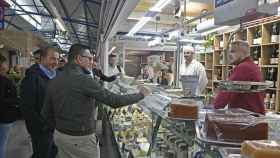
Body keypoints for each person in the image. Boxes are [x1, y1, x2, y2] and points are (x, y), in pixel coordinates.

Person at [41, 44, 151, 158]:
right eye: (89, 58)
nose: (91, 62)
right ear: (79, 58)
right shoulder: (84, 80)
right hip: (80, 139)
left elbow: (46, 113)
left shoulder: (54, 79)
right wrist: (141, 95)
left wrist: (61, 128)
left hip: (60, 136)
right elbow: (114, 101)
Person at [20, 46, 59, 158]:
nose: (55, 62)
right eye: (52, 58)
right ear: (42, 58)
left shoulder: (54, 76)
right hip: (41, 129)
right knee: (42, 154)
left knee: (51, 152)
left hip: (53, 127)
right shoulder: (32, 77)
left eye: (57, 59)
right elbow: (27, 107)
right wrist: (42, 126)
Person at [213, 40, 265, 114]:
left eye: (233, 51)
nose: (229, 55)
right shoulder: (251, 66)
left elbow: (226, 92)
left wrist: (214, 107)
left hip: (248, 119)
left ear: (243, 52)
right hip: (253, 117)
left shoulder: (243, 67)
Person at [0, 55, 20, 158]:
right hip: (4, 118)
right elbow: (2, 100)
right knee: (1, 144)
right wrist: (16, 100)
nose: (7, 65)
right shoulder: (3, 80)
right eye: (5, 63)